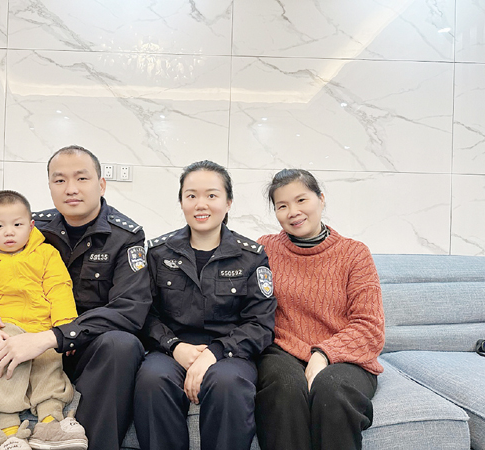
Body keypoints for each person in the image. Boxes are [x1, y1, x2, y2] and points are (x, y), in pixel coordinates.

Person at [0, 146, 152, 450]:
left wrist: (52, 338)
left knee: (122, 345)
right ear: (50, 186)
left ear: (101, 184)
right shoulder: (28, 225)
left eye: (81, 178)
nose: (71, 188)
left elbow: (129, 309)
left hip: (84, 348)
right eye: (59, 180)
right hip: (12, 339)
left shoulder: (125, 236)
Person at [134, 160, 277, 450]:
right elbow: (144, 313)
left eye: (212, 195)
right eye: (191, 195)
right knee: (152, 379)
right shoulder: (159, 253)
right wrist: (175, 346)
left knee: (228, 384)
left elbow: (260, 323)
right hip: (171, 350)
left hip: (230, 354)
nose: (201, 204)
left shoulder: (251, 256)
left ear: (228, 202)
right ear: (181, 202)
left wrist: (214, 353)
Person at [254, 169, 385, 450]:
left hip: (345, 358)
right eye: (282, 206)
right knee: (285, 387)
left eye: (301, 200)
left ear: (321, 199)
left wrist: (323, 354)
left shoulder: (354, 253)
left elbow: (370, 326)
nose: (293, 212)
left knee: (332, 390)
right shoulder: (265, 248)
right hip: (282, 350)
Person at [0, 189, 86, 450]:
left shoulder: (46, 254)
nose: (9, 232)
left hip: (42, 327)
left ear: (31, 226)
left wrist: (66, 328)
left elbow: (59, 289)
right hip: (5, 326)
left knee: (49, 363)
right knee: (5, 362)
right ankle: (8, 432)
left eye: (17, 225)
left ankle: (51, 423)